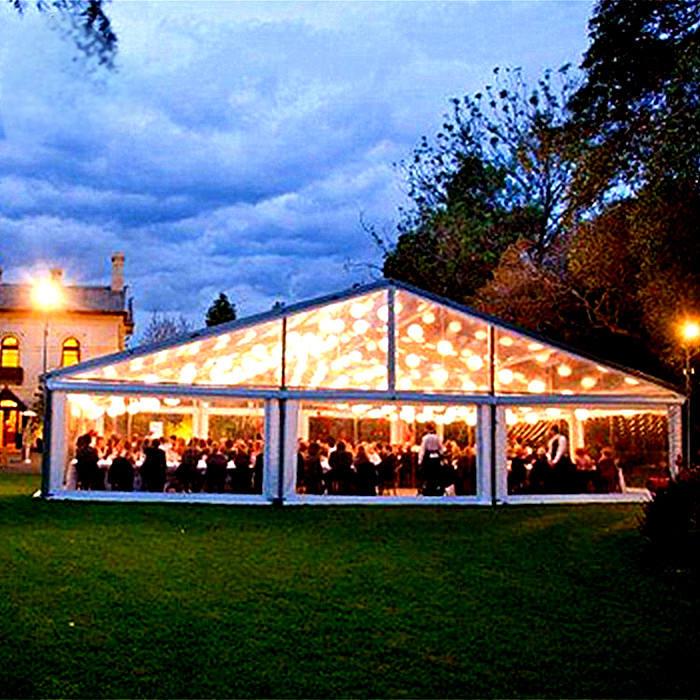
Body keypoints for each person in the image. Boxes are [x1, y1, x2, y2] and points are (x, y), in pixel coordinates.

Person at [418, 422, 444, 496]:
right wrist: (441, 456)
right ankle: (435, 488)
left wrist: (420, 461)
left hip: (428, 457)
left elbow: (422, 450)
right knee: (435, 474)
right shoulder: (437, 437)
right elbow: (441, 448)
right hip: (436, 458)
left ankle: (428, 489)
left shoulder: (425, 438)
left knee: (428, 474)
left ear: (427, 429)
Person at [547, 424, 574, 493]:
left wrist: (555, 461)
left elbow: (560, 450)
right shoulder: (551, 440)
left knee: (561, 476)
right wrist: (549, 459)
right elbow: (550, 451)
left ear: (553, 431)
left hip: (561, 461)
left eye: (550, 431)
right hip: (553, 460)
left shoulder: (561, 438)